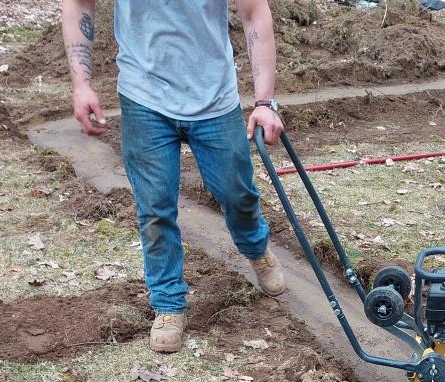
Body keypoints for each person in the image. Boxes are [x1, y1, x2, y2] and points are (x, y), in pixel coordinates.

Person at [61, 0, 287, 353]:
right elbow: (78, 4)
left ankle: (255, 248)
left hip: (214, 97)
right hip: (144, 98)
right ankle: (168, 303)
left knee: (236, 193)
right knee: (155, 208)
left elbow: (254, 12)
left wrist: (264, 102)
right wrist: (81, 84)